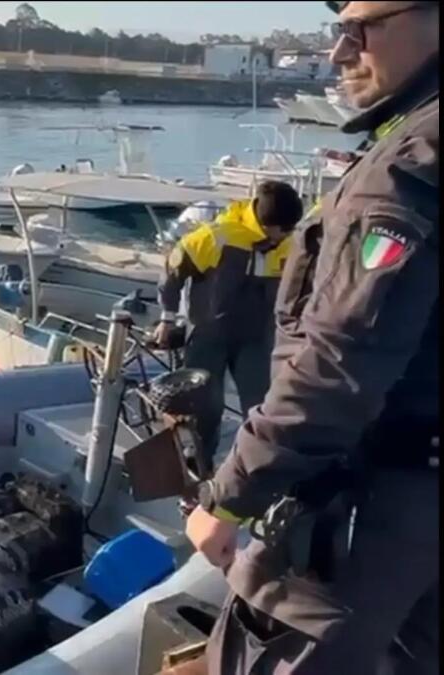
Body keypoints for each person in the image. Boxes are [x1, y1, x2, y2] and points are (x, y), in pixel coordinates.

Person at [186, 1, 439, 673]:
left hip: (362, 510)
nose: (338, 52)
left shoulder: (407, 170)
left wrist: (231, 494)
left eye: (360, 29)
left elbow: (341, 358)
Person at [153, 181, 304, 467]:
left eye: (291, 229)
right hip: (208, 336)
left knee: (260, 404)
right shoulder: (216, 237)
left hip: (255, 339)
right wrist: (167, 319)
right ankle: (199, 463)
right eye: (284, 229)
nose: (288, 234)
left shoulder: (289, 244)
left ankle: (253, 467)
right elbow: (172, 273)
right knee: (206, 408)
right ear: (265, 222)